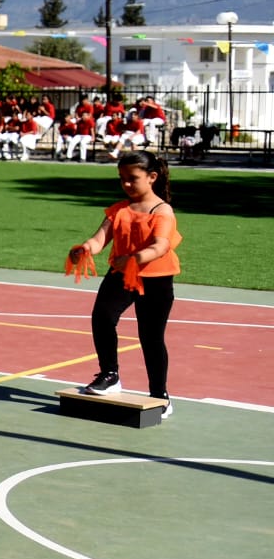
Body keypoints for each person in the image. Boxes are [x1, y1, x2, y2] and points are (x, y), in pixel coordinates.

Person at [69, 150, 180, 416]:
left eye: (132, 178)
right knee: (102, 317)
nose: (126, 183)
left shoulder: (162, 211)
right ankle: (110, 374)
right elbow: (99, 239)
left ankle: (160, 395)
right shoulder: (119, 209)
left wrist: (134, 258)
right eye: (122, 178)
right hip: (120, 274)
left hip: (155, 279)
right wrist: (85, 249)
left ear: (152, 177)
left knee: (151, 337)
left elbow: (161, 246)